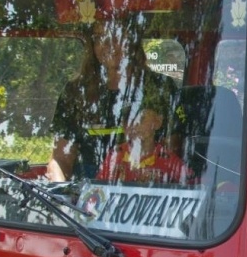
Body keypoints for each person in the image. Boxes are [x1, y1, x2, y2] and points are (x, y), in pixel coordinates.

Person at [47, 25, 179, 181]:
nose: (108, 44)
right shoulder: (75, 91)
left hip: (146, 188)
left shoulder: (160, 87)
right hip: (88, 192)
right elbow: (60, 160)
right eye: (100, 37)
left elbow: (173, 153)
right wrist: (62, 198)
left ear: (132, 41)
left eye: (117, 35)